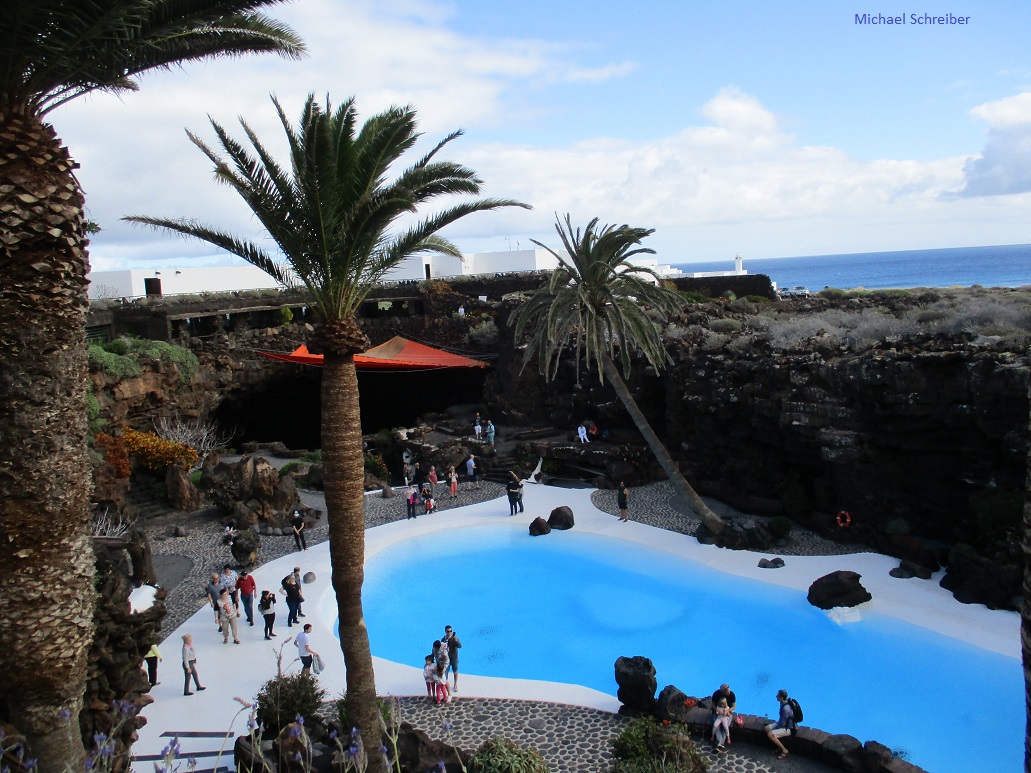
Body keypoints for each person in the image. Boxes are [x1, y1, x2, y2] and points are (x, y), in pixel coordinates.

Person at [764, 689, 795, 759]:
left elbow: (783, 724)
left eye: (777, 696)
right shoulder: (783, 703)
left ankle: (784, 750)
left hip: (789, 728)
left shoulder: (785, 709)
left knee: (770, 734)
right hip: (782, 723)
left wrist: (774, 730)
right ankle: (778, 746)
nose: (776, 696)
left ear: (781, 697)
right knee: (766, 728)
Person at [443, 625, 462, 693]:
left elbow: (460, 646)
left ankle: (455, 684)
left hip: (454, 658)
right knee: (446, 672)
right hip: (446, 658)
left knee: (455, 671)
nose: (449, 632)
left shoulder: (454, 638)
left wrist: (456, 641)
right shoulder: (443, 639)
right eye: (448, 631)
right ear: (445, 631)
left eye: (450, 631)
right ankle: (445, 684)